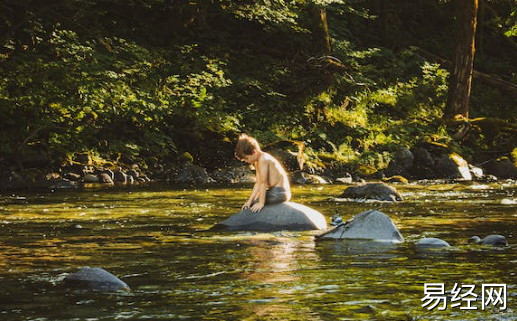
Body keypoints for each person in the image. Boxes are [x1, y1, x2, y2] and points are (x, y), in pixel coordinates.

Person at [235, 134, 291, 212]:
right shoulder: (257, 161)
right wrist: (249, 201)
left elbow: (263, 183)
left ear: (254, 152)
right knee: (252, 203)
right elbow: (258, 183)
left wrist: (261, 203)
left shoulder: (263, 159)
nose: (247, 161)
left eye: (247, 158)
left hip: (280, 192)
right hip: (274, 190)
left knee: (256, 202)